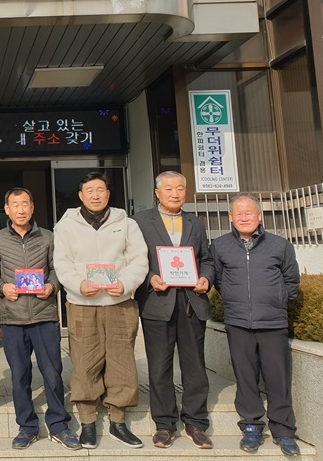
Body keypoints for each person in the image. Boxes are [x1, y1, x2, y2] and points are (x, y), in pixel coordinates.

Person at [52, 171, 148, 449]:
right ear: (80, 195)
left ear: (108, 194)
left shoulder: (126, 223)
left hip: (119, 302)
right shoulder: (66, 226)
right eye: (89, 191)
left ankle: (118, 421)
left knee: (122, 361)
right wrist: (78, 284)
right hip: (82, 303)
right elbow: (62, 263)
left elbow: (139, 260)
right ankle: (88, 422)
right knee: (84, 362)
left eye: (100, 190)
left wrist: (126, 283)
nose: (95, 195)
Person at [0, 187, 81, 451]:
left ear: (32, 207)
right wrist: (1, 288)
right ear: (7, 210)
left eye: (25, 204)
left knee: (52, 372)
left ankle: (59, 425)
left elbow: (57, 269)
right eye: (15, 205)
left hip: (45, 316)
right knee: (19, 375)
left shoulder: (49, 237)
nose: (20, 210)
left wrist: (51, 286)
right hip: (13, 318)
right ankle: (27, 427)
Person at [211, 194, 301, 457]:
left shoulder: (280, 245)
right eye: (238, 214)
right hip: (238, 322)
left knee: (277, 378)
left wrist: (277, 300)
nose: (244, 218)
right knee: (246, 377)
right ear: (230, 217)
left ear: (259, 215)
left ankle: (283, 430)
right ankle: (251, 425)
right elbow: (219, 280)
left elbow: (291, 280)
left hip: (272, 322)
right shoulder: (220, 245)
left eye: (249, 213)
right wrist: (233, 299)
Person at [133, 171, 214, 449]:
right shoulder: (140, 222)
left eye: (180, 188)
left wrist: (206, 279)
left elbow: (207, 258)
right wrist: (148, 279)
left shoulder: (195, 222)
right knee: (159, 366)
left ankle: (195, 422)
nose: (175, 193)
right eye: (168, 188)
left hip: (192, 301)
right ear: (157, 193)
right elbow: (132, 259)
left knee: (195, 367)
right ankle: (164, 424)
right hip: (158, 301)